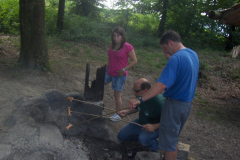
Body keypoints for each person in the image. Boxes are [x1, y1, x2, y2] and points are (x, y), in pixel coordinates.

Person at [126, 30, 199, 160]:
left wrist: (140, 99)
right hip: (186, 105)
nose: (165, 52)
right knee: (173, 138)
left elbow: (161, 85)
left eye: (165, 48)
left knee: (169, 144)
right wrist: (169, 56)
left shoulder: (176, 59)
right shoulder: (192, 54)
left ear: (170, 43)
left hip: (174, 105)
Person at [117, 78, 164, 152]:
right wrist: (127, 112)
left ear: (145, 90)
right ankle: (143, 141)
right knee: (122, 136)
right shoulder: (141, 98)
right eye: (133, 90)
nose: (134, 93)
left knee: (143, 138)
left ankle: (157, 149)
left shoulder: (159, 103)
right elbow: (137, 107)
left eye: (136, 91)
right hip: (141, 123)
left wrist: (154, 126)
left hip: (156, 128)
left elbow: (169, 122)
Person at [105, 26, 137, 122]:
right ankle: (96, 103)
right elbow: (111, 57)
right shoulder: (112, 44)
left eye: (118, 36)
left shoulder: (128, 47)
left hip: (119, 75)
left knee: (117, 95)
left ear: (122, 37)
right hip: (109, 71)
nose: (116, 38)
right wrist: (106, 66)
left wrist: (124, 69)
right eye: (114, 36)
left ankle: (117, 114)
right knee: (97, 83)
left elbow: (134, 61)